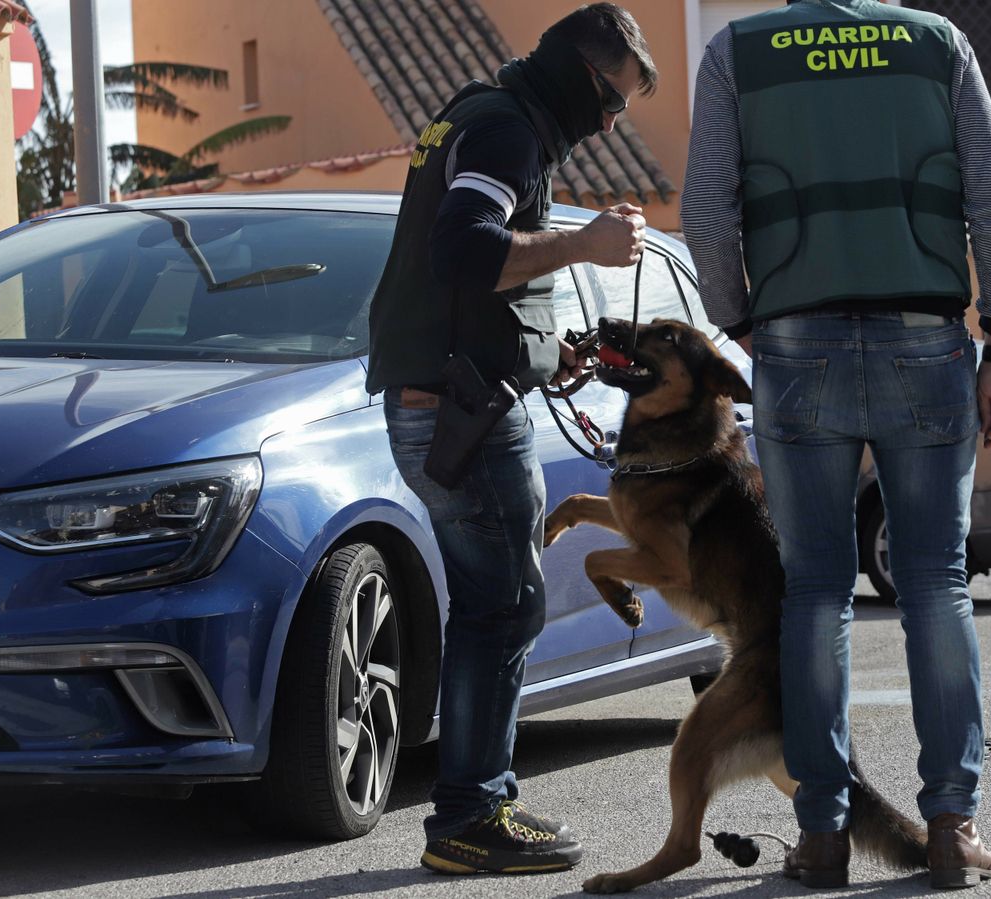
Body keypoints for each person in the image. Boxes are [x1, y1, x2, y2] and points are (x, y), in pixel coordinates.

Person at [680, 0, 991, 889]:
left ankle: (825, 835)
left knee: (816, 593)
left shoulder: (737, 51)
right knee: (935, 582)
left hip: (797, 340)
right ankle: (952, 824)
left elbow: (709, 214)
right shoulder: (937, 43)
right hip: (926, 336)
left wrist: (740, 322)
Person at [365, 3, 657, 877]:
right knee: (505, 605)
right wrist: (588, 244)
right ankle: (471, 813)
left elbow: (464, 273)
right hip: (461, 411)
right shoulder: (506, 130)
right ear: (584, 75)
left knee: (493, 604)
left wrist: (543, 347)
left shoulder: (482, 112)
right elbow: (463, 250)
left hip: (453, 394)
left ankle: (477, 802)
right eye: (615, 101)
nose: (613, 123)